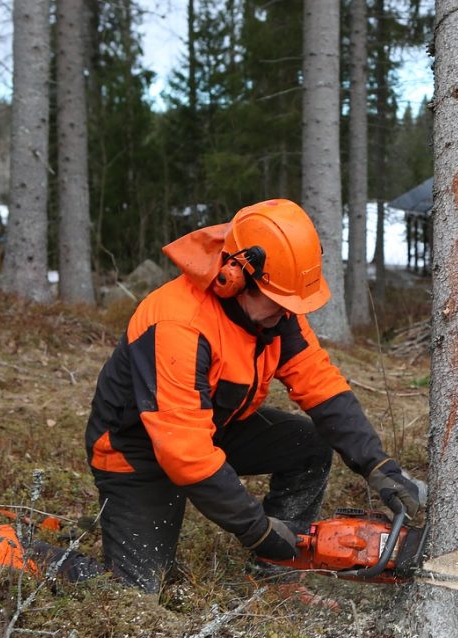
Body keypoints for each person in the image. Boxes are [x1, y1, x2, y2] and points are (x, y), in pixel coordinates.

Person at [82, 199, 421, 592]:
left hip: (210, 427)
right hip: (136, 450)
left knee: (308, 444)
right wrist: (259, 531)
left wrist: (377, 464)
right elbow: (184, 454)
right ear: (235, 277)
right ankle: (15, 551)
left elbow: (321, 385)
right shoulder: (179, 324)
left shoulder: (278, 317)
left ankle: (277, 573)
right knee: (135, 593)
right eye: (278, 302)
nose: (286, 313)